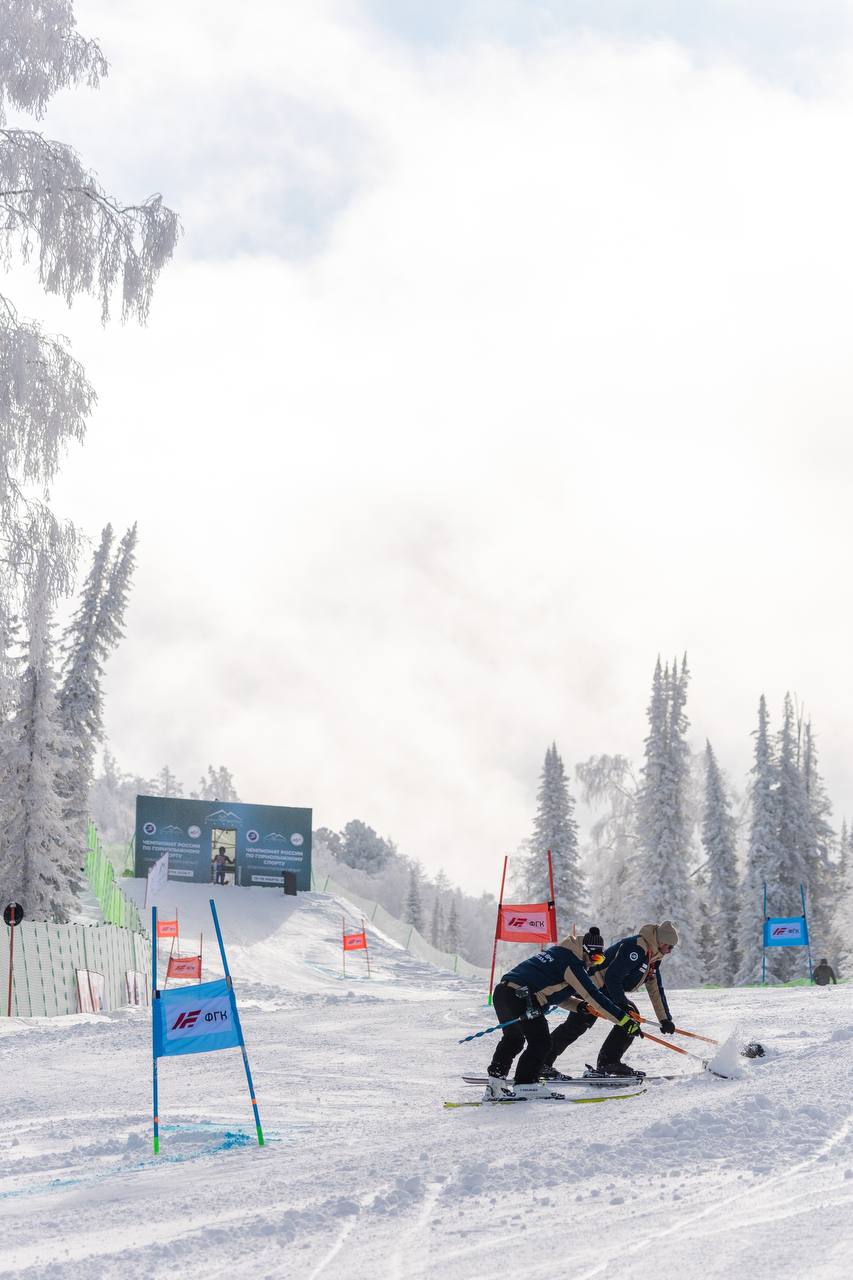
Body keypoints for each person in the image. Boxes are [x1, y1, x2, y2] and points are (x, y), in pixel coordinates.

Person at [484, 926, 641, 1100]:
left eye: (599, 960)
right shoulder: (572, 962)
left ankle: (495, 1085)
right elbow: (594, 996)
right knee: (541, 1041)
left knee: (514, 1039)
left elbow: (554, 993)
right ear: (585, 951)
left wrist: (579, 1006)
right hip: (522, 996)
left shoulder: (561, 953)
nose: (593, 963)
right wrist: (624, 1021)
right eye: (594, 958)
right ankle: (525, 1085)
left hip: (504, 993)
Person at [543, 920, 680, 1079]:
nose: (670, 951)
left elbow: (655, 987)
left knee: (628, 1018)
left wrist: (664, 1019)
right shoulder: (637, 947)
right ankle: (542, 1063)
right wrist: (622, 1005)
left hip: (607, 989)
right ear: (661, 941)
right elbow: (612, 977)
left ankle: (608, 1062)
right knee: (579, 1024)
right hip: (593, 986)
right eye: (670, 947)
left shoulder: (654, 955)